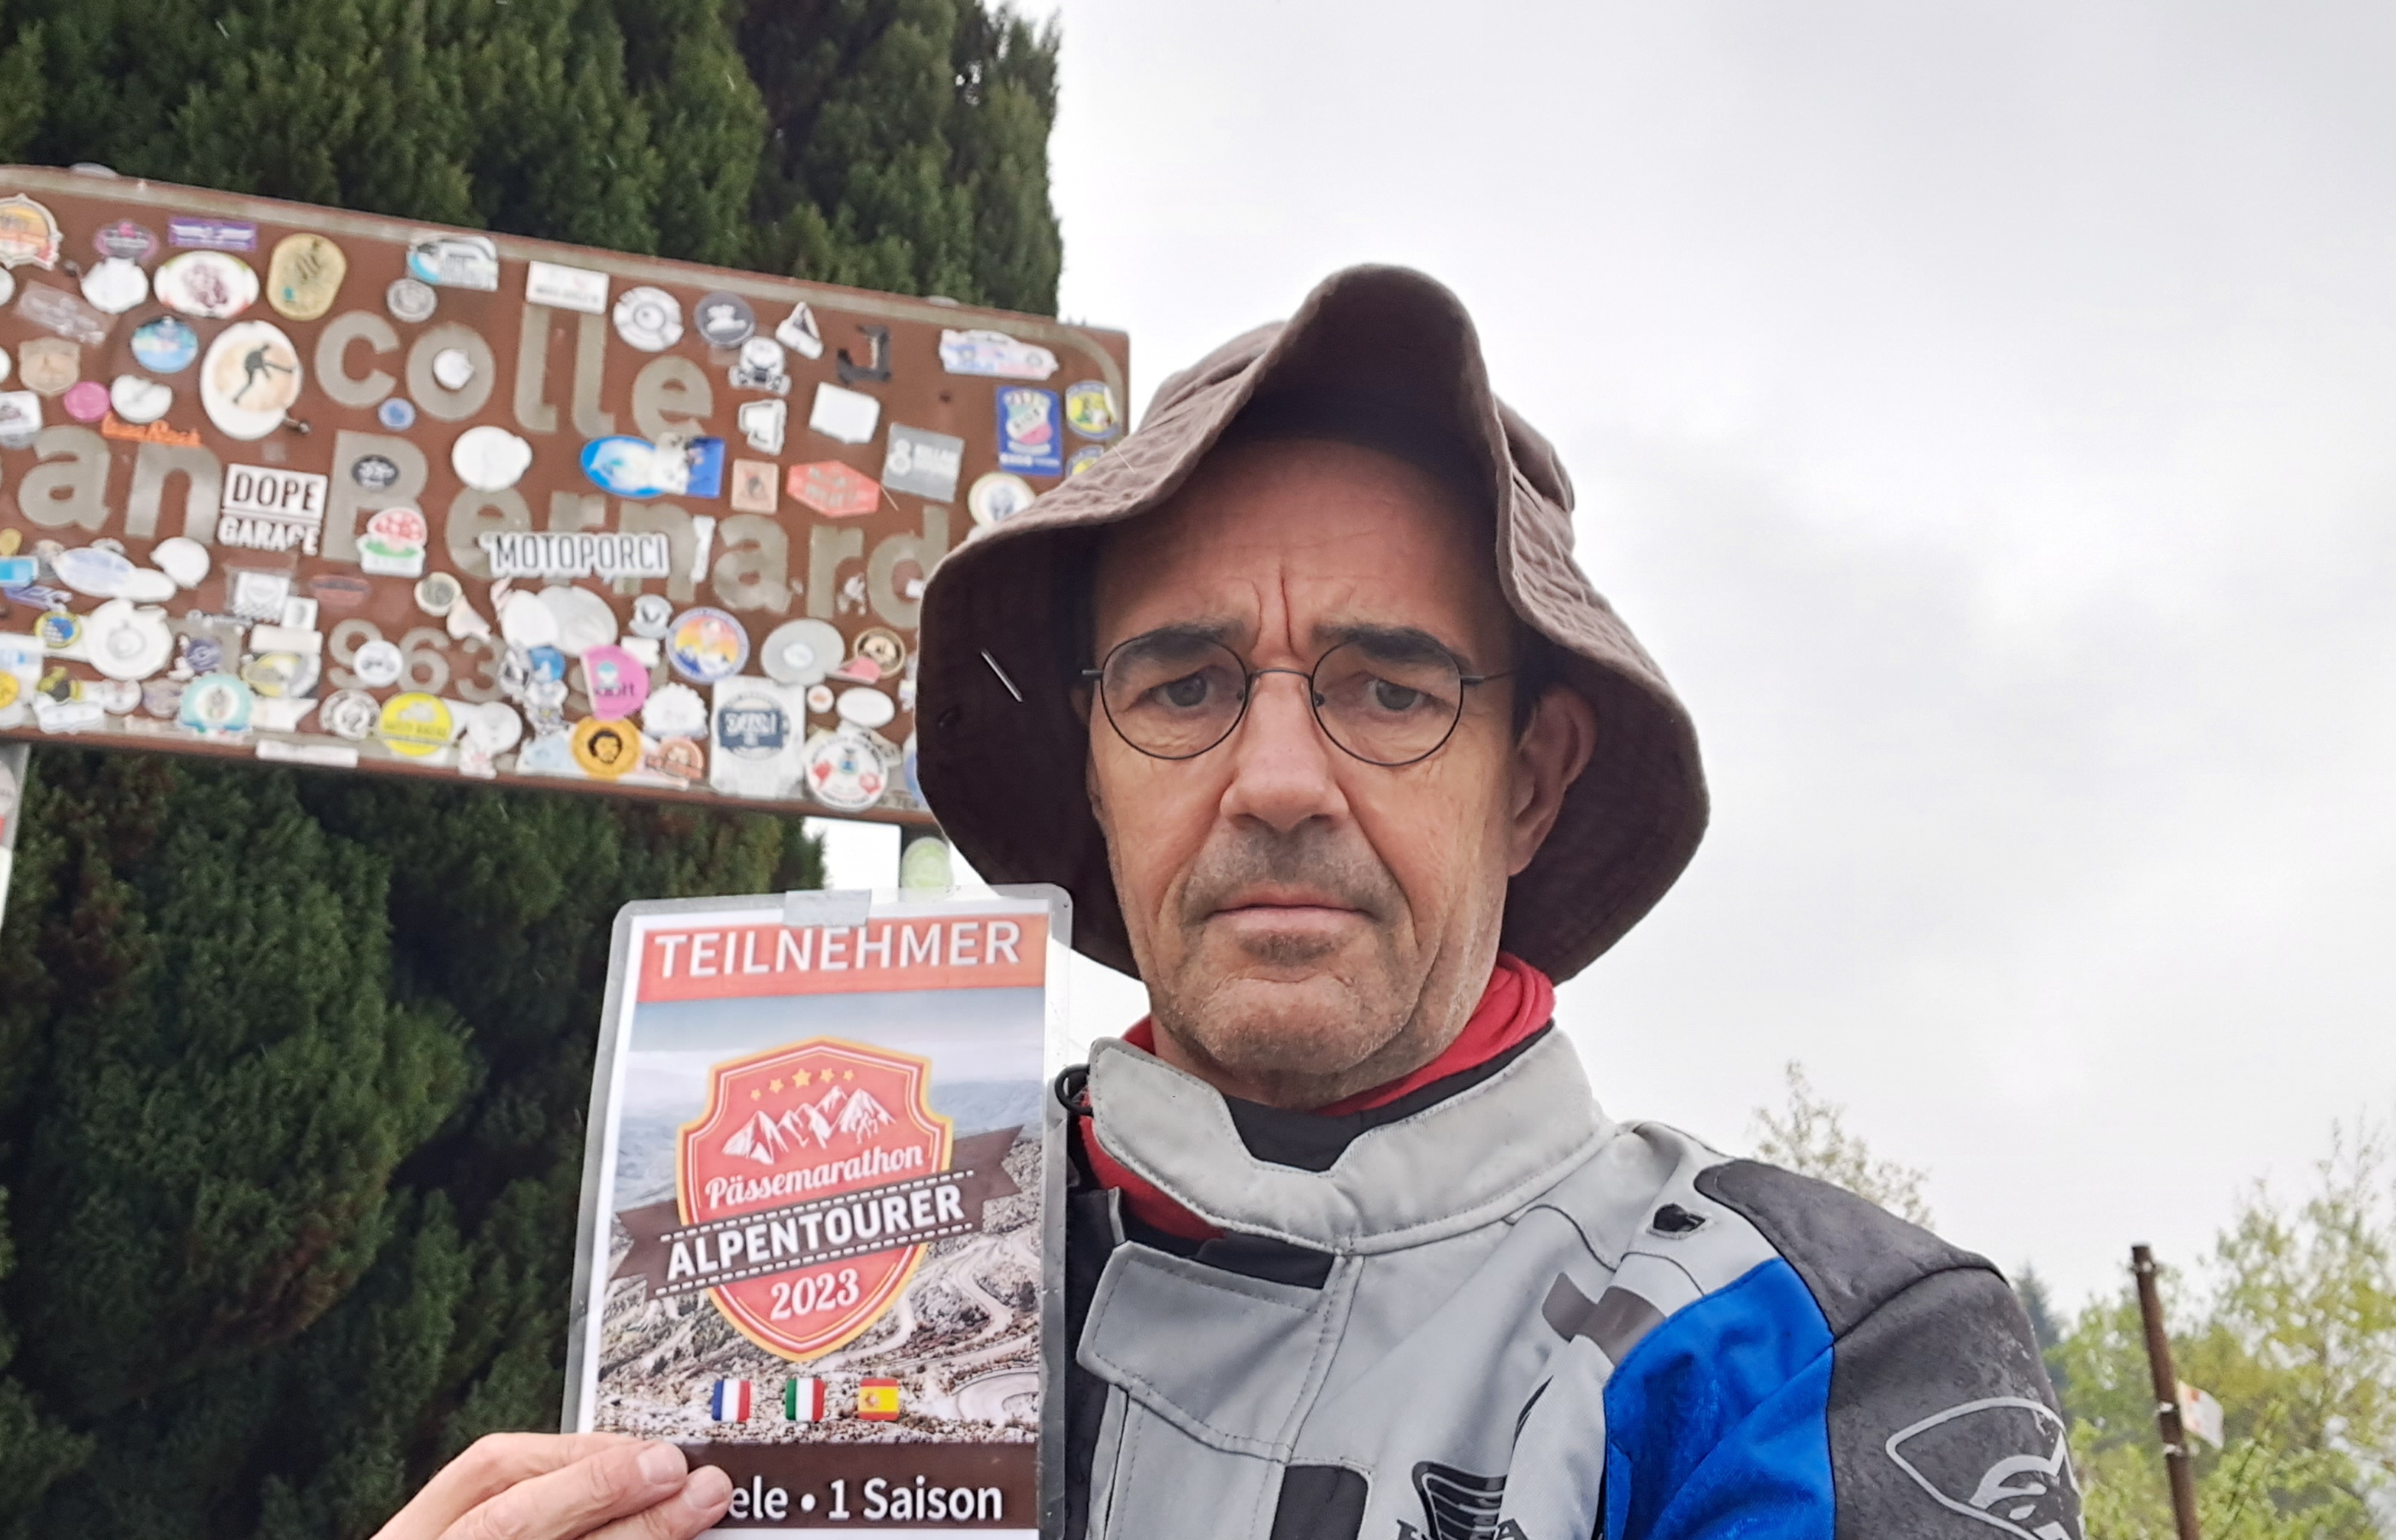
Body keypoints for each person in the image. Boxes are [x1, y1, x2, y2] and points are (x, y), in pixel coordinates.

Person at [375, 266, 2081, 1540]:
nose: (1273, 779)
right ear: (1093, 776)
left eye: (1388, 688)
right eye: (1182, 688)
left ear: (1531, 782)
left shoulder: (1796, 1350)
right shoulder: (831, 1261)